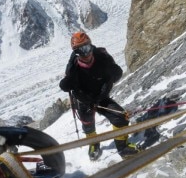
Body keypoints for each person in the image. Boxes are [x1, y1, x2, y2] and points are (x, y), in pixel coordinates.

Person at [59, 31, 142, 160]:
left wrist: (99, 98)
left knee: (120, 118)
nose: (85, 54)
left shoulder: (102, 58)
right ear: (75, 53)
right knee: (88, 123)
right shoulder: (73, 69)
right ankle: (94, 144)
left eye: (87, 48)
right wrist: (88, 100)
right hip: (84, 100)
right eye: (80, 51)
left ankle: (123, 148)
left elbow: (109, 80)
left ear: (91, 46)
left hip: (100, 97)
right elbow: (75, 90)